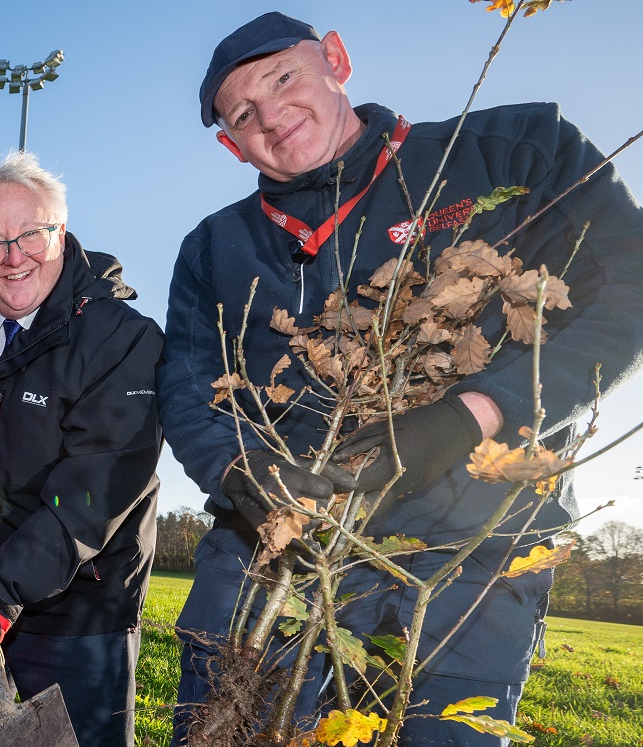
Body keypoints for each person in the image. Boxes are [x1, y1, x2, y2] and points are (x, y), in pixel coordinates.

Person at [162, 12, 643, 744]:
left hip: (464, 560)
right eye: (243, 114)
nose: (273, 115)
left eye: (283, 78)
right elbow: (187, 387)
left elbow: (627, 292)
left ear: (337, 59)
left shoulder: (511, 154)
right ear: (232, 146)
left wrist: (475, 413)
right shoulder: (216, 249)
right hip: (273, 561)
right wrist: (239, 469)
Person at [0, 152, 164, 747]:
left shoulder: (121, 338)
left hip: (80, 618)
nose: (12, 257)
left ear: (61, 232)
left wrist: (6, 590)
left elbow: (101, 481)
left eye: (30, 234)